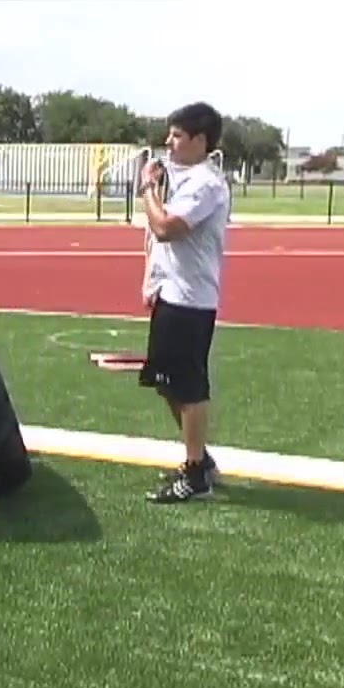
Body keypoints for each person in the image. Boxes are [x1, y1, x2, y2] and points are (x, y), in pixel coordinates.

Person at [136, 101, 231, 504]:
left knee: (188, 385)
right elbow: (152, 237)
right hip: (170, 295)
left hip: (192, 301)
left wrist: (147, 190)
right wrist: (150, 278)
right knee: (166, 381)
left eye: (177, 135)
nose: (168, 143)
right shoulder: (178, 176)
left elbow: (165, 228)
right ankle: (201, 459)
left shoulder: (206, 184)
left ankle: (195, 474)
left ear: (200, 141)